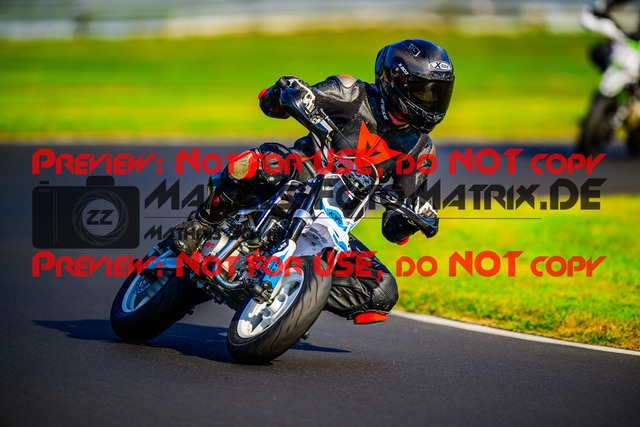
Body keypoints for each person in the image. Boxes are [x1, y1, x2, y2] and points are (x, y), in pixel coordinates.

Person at [171, 39, 455, 324]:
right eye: (422, 91)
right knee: (265, 163)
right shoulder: (352, 93)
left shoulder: (420, 148)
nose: (431, 102)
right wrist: (288, 90)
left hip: (333, 223)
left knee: (381, 291)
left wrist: (412, 218)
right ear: (394, 80)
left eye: (438, 94)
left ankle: (296, 296)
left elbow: (393, 228)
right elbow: (273, 104)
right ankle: (201, 223)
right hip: (295, 178)